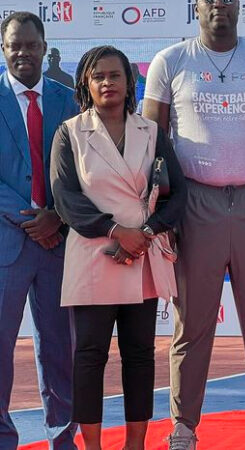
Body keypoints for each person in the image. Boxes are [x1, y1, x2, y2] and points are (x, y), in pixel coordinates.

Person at [142, 0, 245, 448]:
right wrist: (163, 214)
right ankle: (184, 427)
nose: (219, 6)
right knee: (192, 324)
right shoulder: (171, 61)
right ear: (197, 6)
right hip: (195, 201)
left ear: (239, 7)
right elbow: (155, 150)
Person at [51, 45, 187, 450]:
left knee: (140, 355)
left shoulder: (151, 130)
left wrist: (145, 232)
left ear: (130, 83)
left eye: (115, 75)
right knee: (90, 355)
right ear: (86, 85)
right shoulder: (70, 132)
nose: (107, 82)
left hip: (142, 254)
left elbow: (176, 194)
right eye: (98, 76)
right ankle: (91, 446)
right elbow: (65, 198)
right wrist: (115, 231)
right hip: (95, 254)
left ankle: (135, 444)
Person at [0, 12, 79, 450]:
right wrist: (35, 219)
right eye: (15, 45)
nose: (24, 53)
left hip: (58, 245)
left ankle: (62, 437)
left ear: (44, 47)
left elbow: (82, 174)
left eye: (31, 45)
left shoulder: (68, 101)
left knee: (58, 350)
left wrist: (58, 217)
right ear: (3, 48)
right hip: (8, 244)